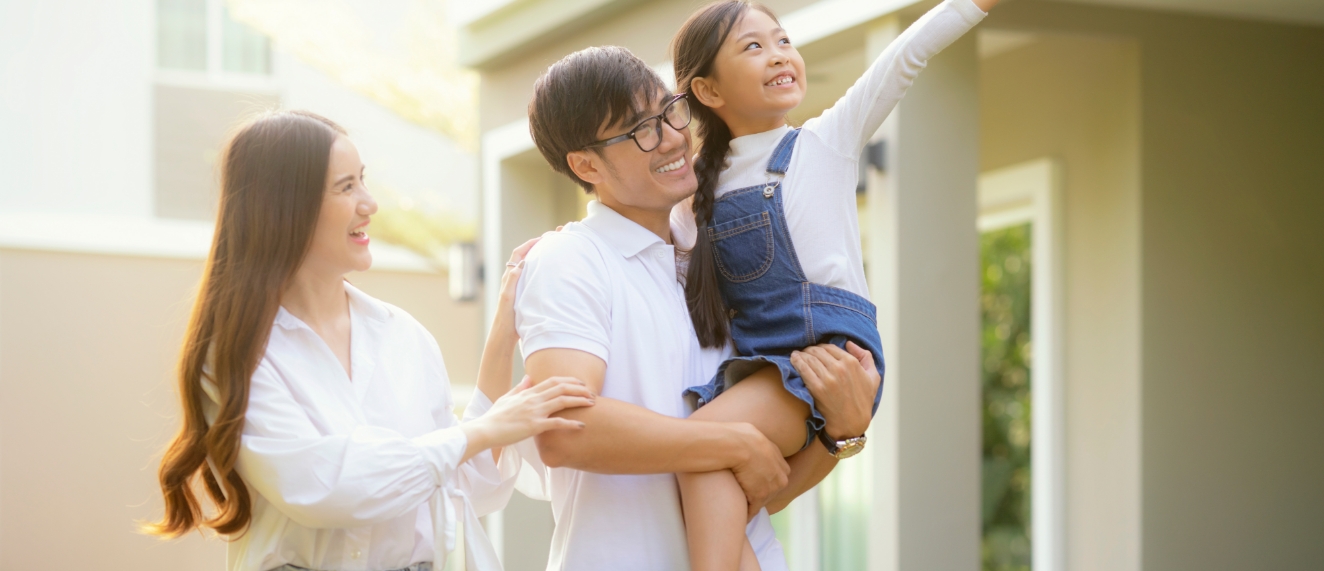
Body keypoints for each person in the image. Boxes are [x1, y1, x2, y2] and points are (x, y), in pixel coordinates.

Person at [144, 110, 593, 571]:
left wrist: (504, 331)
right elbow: (327, 488)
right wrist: (480, 431)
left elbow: (463, 487)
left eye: (363, 181)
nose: (369, 203)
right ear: (284, 207)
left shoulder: (403, 336)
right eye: (346, 187)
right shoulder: (238, 356)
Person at [511, 46, 881, 570]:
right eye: (640, 131)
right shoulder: (570, 258)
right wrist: (726, 443)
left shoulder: (714, 265)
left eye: (669, 112)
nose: (672, 138)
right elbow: (564, 427)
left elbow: (760, 494)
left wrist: (838, 435)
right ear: (585, 164)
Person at [669, 0, 997, 567]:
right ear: (708, 90)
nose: (779, 56)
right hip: (759, 369)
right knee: (724, 502)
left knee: (700, 450)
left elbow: (906, 55)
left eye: (782, 41)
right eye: (753, 47)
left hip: (828, 357)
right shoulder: (695, 190)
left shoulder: (827, 142)